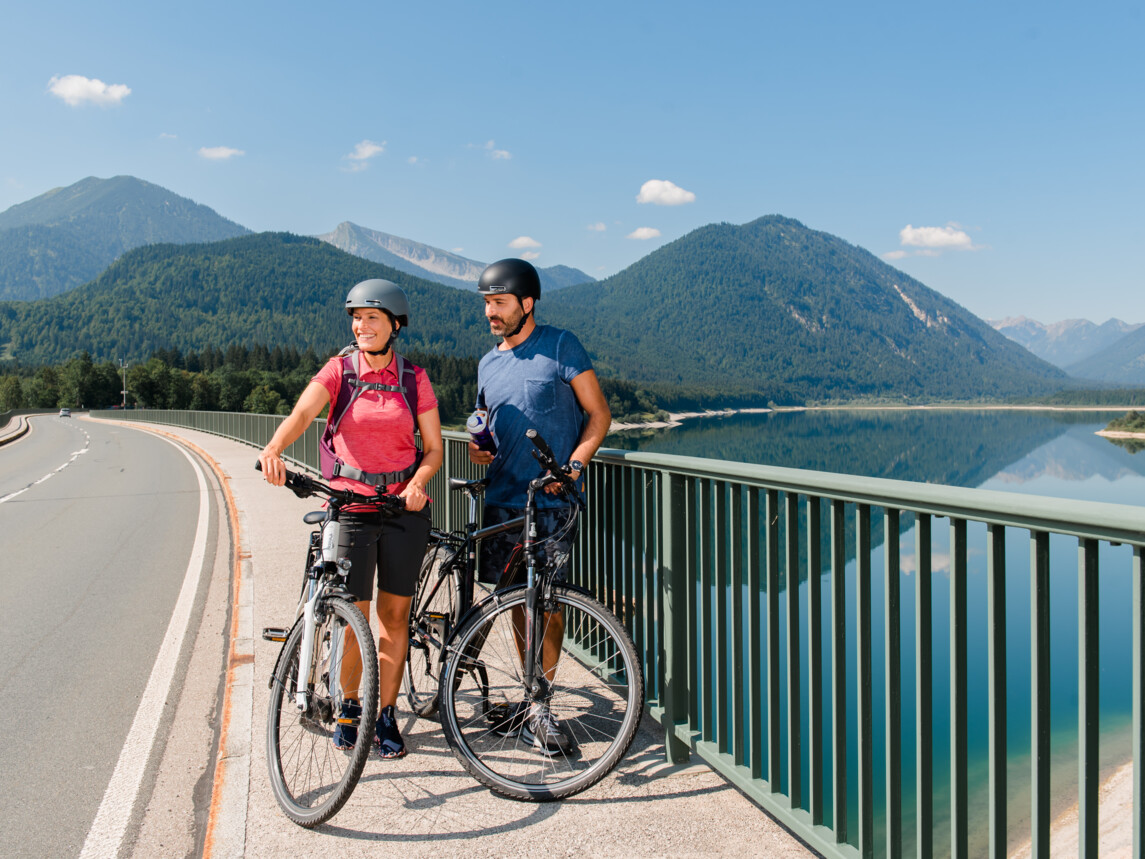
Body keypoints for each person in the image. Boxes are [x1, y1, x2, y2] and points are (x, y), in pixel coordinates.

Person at [259, 278, 443, 759]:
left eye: (373, 318)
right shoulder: (339, 371)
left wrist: (419, 483)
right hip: (350, 511)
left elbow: (435, 448)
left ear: (395, 326)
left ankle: (385, 714)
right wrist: (275, 448)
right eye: (356, 318)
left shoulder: (413, 379)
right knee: (353, 617)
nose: (361, 326)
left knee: (394, 617)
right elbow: (302, 414)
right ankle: (350, 708)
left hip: (402, 511)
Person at [467, 257, 611, 755]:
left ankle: (542, 705)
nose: (491, 312)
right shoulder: (488, 362)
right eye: (487, 303)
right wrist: (479, 449)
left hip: (551, 501)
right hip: (503, 499)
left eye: (500, 302)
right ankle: (529, 700)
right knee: (516, 604)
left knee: (547, 604)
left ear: (527, 303)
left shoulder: (560, 345)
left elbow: (599, 414)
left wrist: (574, 465)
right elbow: (485, 428)